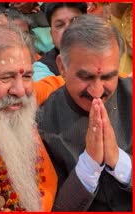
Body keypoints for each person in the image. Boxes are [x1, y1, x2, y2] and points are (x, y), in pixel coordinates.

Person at [37, 15, 132, 211]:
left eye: (107, 77)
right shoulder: (42, 122)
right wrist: (89, 163)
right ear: (62, 66)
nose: (97, 91)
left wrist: (119, 161)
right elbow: (56, 208)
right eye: (86, 77)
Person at [0, 24, 57, 212]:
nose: (20, 90)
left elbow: (65, 81)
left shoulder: (21, 103)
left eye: (27, 75)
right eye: (6, 77)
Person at [33, 3, 87, 81]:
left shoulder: (106, 53)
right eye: (60, 25)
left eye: (75, 21)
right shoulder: (41, 69)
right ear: (51, 34)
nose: (68, 29)